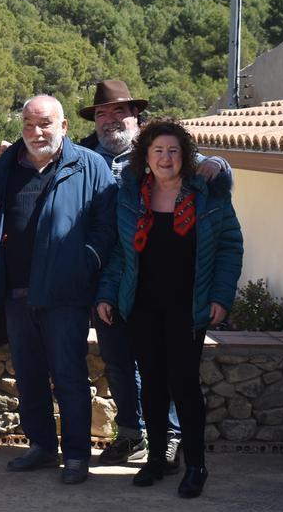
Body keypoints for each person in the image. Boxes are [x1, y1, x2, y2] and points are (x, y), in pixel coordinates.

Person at [77, 79, 232, 469]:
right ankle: (132, 434)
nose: (109, 119)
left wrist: (222, 164)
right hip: (112, 282)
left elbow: (214, 176)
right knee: (119, 362)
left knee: (171, 373)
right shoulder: (82, 157)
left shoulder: (164, 159)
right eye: (101, 113)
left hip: (172, 293)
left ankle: (172, 440)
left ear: (136, 118)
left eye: (118, 112)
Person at [0, 95, 115, 484]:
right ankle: (42, 447)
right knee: (30, 375)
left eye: (45, 124)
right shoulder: (2, 170)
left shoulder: (90, 166)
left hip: (66, 294)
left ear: (63, 127)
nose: (37, 132)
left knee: (68, 375)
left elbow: (106, 227)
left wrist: (86, 262)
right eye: (30, 124)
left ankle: (78, 456)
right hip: (16, 292)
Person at [96, 120, 243, 498]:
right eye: (158, 151)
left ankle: (195, 465)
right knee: (154, 386)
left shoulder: (207, 196)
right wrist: (108, 294)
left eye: (173, 151)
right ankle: (157, 460)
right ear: (145, 156)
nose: (166, 158)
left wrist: (221, 299)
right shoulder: (132, 197)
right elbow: (119, 254)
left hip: (187, 308)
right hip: (143, 306)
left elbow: (230, 248)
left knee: (185, 385)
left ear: (186, 156)